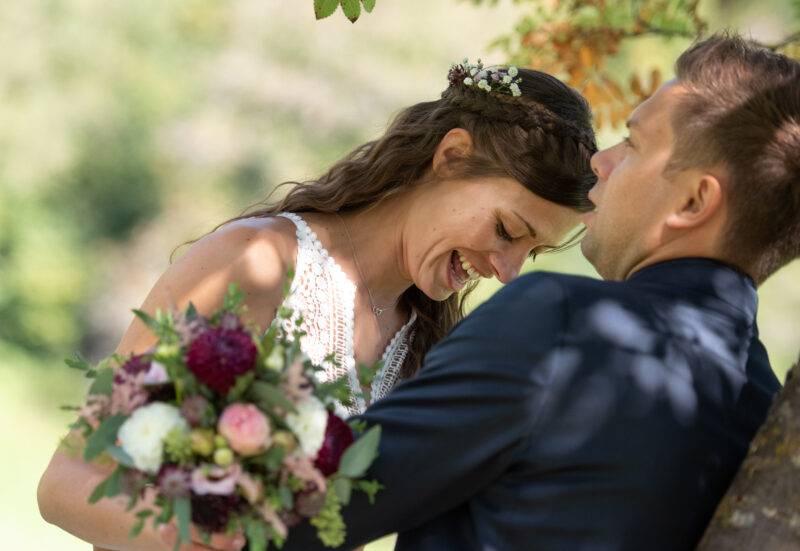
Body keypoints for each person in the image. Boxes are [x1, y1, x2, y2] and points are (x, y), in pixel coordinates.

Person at [37, 61, 598, 550]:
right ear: (451, 156)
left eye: (531, 252)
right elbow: (66, 483)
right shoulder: (255, 262)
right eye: (506, 229)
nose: (506, 271)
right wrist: (200, 539)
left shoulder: (427, 353)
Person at [278, 33, 797, 551]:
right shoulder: (762, 410)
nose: (603, 162)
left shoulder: (563, 326)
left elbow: (313, 505)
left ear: (692, 201)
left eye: (634, 144)